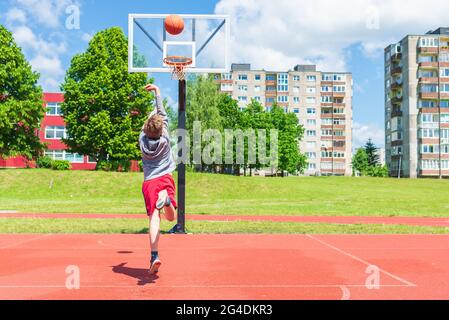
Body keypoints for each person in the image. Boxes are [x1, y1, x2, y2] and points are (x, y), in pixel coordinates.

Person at [140, 83, 178, 274]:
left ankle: (154, 255)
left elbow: (150, 123)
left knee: (154, 218)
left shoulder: (142, 140)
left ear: (146, 129)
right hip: (165, 178)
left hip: (150, 182)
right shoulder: (165, 138)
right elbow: (161, 115)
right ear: (161, 128)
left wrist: (150, 114)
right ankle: (168, 201)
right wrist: (158, 92)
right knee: (172, 217)